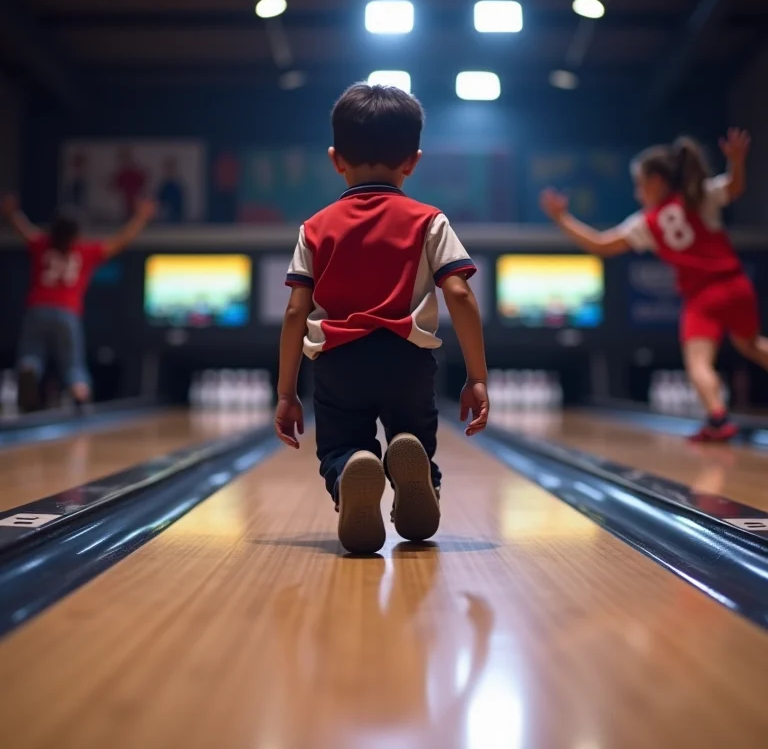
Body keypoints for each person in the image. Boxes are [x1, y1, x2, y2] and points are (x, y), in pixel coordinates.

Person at [274, 83, 490, 554]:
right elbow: (459, 294)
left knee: (340, 445)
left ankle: (350, 468)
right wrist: (476, 378)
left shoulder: (314, 228)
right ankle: (419, 477)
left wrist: (286, 392)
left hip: (339, 361)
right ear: (413, 160)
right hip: (406, 358)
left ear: (336, 159)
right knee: (414, 438)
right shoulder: (429, 220)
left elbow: (295, 312)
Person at [540, 128, 763, 441]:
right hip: (737, 285)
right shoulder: (698, 196)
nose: (637, 193)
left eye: (639, 184)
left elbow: (601, 244)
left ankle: (718, 418)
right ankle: (717, 418)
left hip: (703, 297)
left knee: (699, 363)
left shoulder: (647, 222)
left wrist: (562, 218)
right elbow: (735, 186)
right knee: (750, 345)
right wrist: (737, 161)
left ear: (656, 181)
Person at [0, 194, 157, 412]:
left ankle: (29, 369)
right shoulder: (84, 252)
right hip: (68, 312)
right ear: (77, 234)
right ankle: (79, 391)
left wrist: (11, 212)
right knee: (73, 363)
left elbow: (22, 228)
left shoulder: (41, 244)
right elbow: (120, 241)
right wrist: (140, 218)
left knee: (31, 353)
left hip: (37, 309)